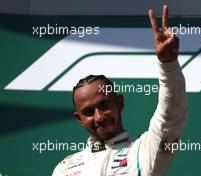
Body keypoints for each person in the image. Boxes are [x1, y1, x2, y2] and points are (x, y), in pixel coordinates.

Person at [52, 5, 188, 176]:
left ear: (119, 103)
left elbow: (170, 117)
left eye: (104, 105)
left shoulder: (143, 152)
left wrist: (168, 66)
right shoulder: (65, 168)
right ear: (79, 119)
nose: (99, 117)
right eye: (88, 112)